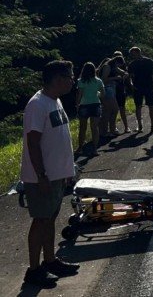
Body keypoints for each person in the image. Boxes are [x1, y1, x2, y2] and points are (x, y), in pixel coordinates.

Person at [20, 60, 80, 287]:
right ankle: (34, 270)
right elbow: (33, 143)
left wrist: (66, 171)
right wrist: (42, 176)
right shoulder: (37, 104)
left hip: (57, 176)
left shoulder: (55, 101)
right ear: (58, 79)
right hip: (41, 178)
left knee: (50, 219)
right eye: (70, 76)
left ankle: (50, 260)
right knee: (40, 221)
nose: (73, 80)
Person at [75, 62, 103, 156]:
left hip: (84, 105)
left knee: (82, 128)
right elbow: (103, 94)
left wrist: (77, 104)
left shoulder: (81, 81)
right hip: (96, 104)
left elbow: (79, 94)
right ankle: (95, 149)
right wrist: (97, 94)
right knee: (94, 128)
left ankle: (80, 148)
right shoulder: (98, 81)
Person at [127, 46, 153, 133]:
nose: (133, 56)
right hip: (137, 88)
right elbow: (129, 77)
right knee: (138, 106)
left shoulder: (149, 61)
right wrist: (132, 85)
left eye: (134, 54)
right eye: (131, 54)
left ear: (138, 52)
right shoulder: (132, 64)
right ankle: (139, 125)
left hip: (149, 86)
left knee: (151, 106)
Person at [112, 51, 130, 133]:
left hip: (121, 89)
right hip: (113, 90)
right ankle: (114, 127)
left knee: (122, 108)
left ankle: (126, 127)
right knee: (113, 110)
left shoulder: (123, 66)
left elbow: (126, 75)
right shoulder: (110, 67)